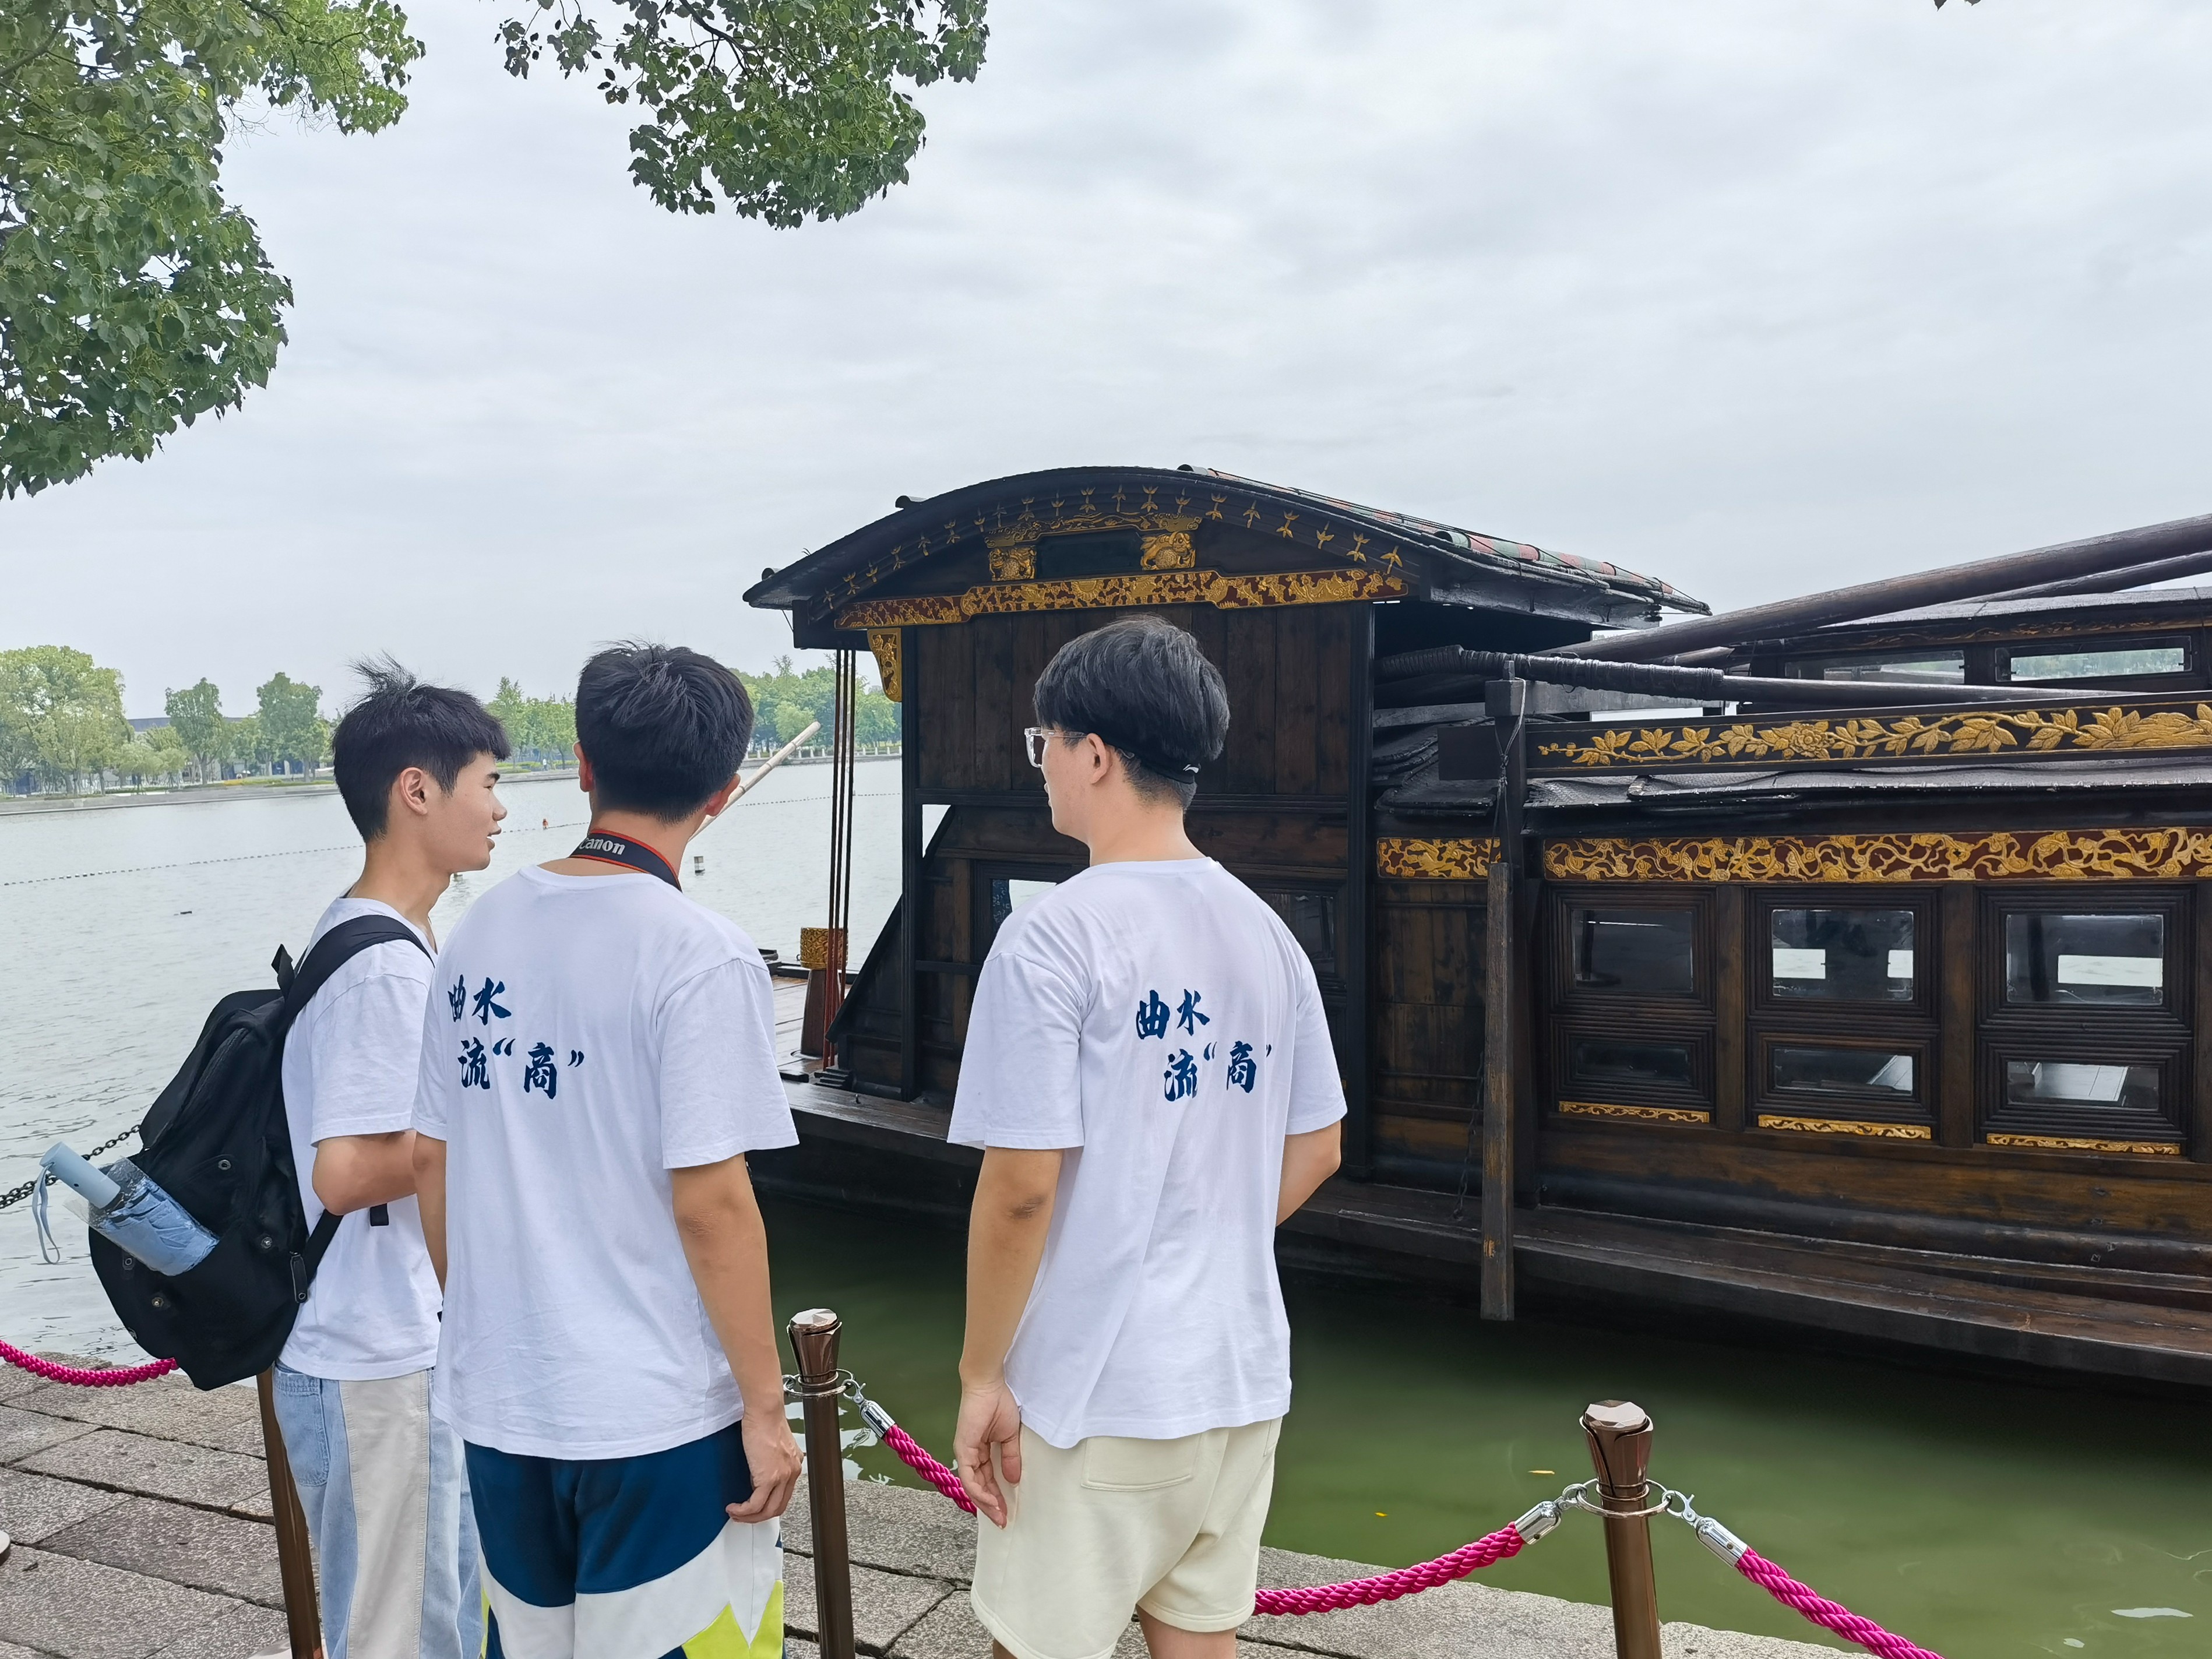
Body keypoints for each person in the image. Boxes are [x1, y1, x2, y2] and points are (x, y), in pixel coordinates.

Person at [949, 616, 1348, 1659]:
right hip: (1238, 1377)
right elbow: (1319, 1147)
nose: (1041, 766)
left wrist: (981, 1376)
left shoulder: (1053, 935)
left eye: (1043, 744)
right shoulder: (1269, 933)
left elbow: (1021, 1187)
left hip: (1095, 1389)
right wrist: (1199, 1235)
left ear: (1093, 754)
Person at [413, 642, 802, 1657]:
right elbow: (712, 1203)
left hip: (502, 1404)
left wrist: (494, 1323)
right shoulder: (701, 954)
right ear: (722, 792)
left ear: (584, 765)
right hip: (655, 1417)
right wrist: (766, 1409)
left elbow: (430, 1160)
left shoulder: (478, 932)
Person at [271, 660, 507, 1659]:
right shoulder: (380, 967)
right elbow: (343, 1172)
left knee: (440, 1622)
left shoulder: (391, 938)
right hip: (370, 1355)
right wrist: (497, 1125)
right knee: (396, 1637)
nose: (500, 809)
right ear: (417, 790)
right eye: (488, 783)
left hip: (395, 1345)